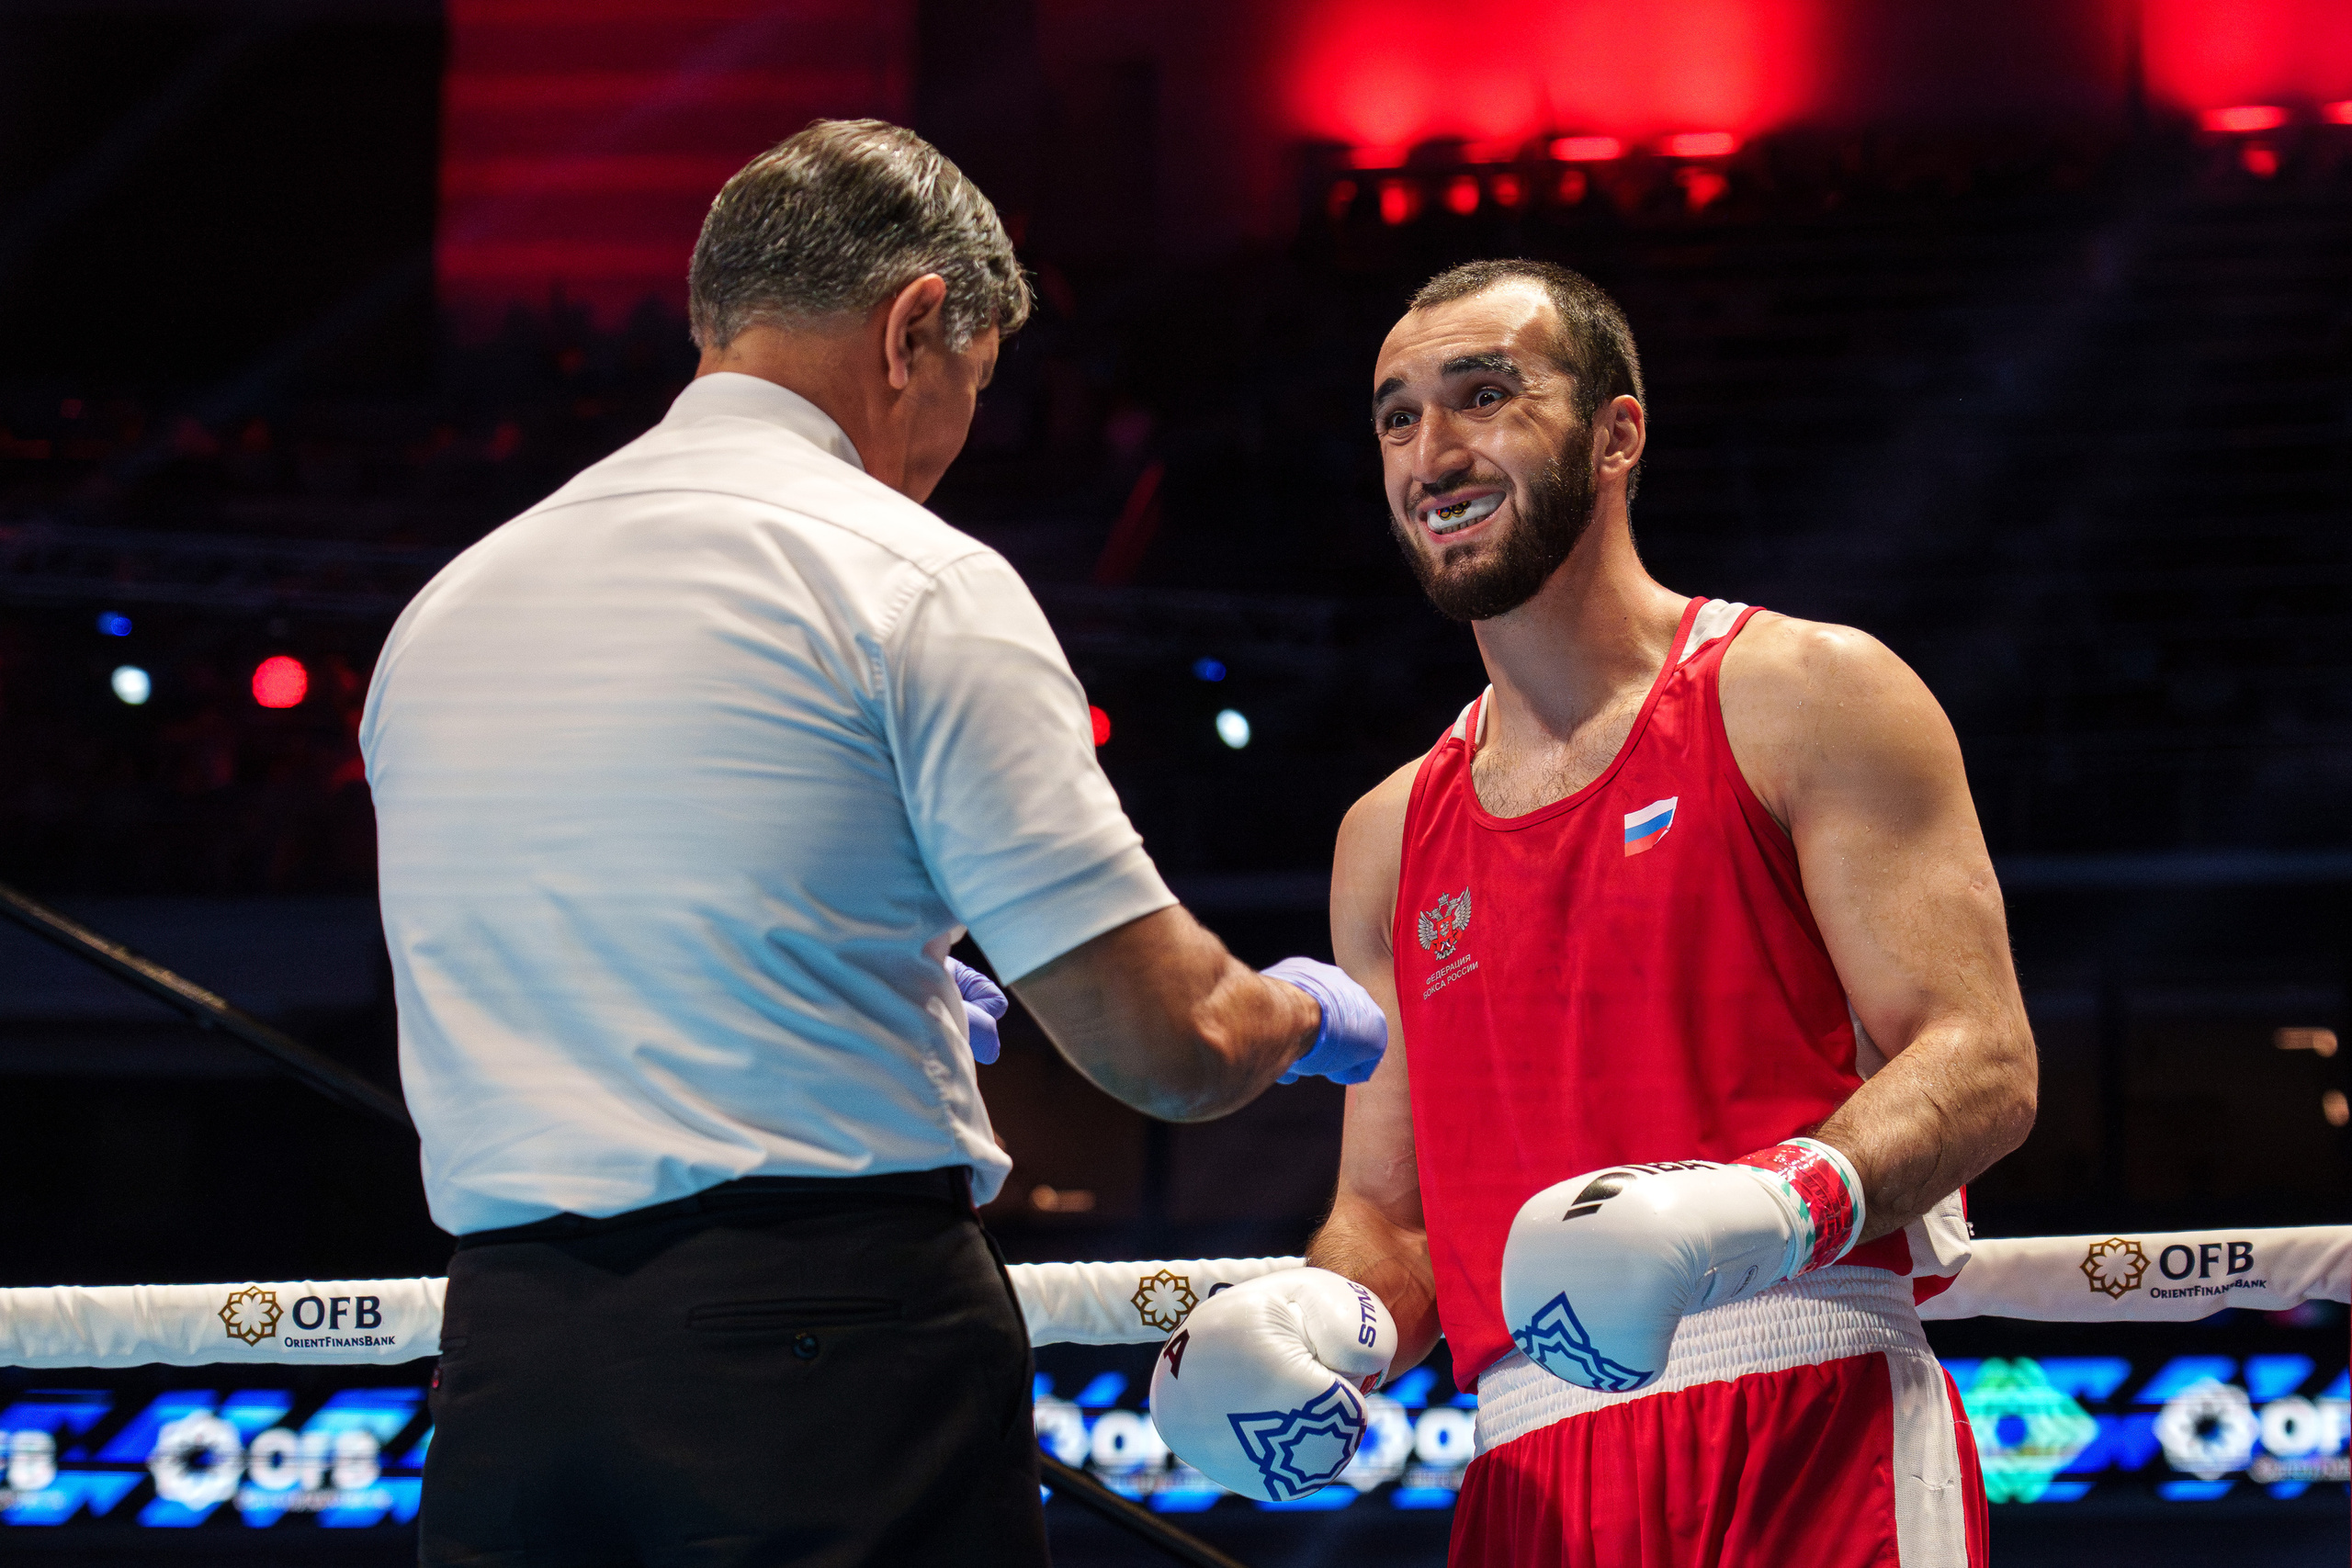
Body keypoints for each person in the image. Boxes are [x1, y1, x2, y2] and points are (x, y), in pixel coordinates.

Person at [360, 118, 1385, 1568]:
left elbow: (609, 934)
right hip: (825, 1364)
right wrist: (1311, 1019)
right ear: (914, 328)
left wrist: (868, 992)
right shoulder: (906, 578)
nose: (956, 446)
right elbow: (1166, 1041)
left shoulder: (445, 612)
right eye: (974, 381)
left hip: (514, 1387)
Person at [1155, 259, 2036, 1564]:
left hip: (1810, 1418)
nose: (1432, 453)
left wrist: (1761, 1208)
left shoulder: (1808, 693)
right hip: (1529, 1479)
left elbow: (1983, 1060)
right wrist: (1316, 1322)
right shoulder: (1388, 837)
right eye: (1397, 417)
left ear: (1616, 432)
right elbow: (1392, 1218)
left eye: (1484, 396)